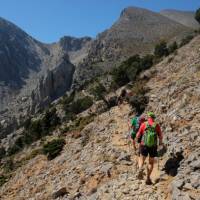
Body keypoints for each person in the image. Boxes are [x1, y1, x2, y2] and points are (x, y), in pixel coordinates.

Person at [136, 112, 163, 185]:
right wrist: (160, 143)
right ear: (153, 118)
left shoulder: (144, 124)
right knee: (151, 162)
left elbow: (138, 135)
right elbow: (160, 136)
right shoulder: (156, 125)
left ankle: (140, 168)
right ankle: (148, 178)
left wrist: (138, 139)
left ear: (148, 117)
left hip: (144, 144)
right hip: (153, 146)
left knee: (141, 158)